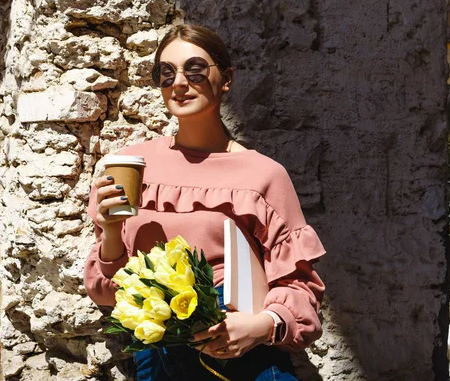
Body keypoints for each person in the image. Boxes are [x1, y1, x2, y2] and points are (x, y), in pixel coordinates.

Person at [84, 24, 326, 381]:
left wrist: (260, 327)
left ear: (226, 78)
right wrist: (111, 231)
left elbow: (300, 288)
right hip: (158, 358)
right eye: (166, 74)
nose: (179, 83)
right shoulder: (130, 166)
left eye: (195, 70)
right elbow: (107, 294)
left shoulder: (263, 175)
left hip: (243, 362)